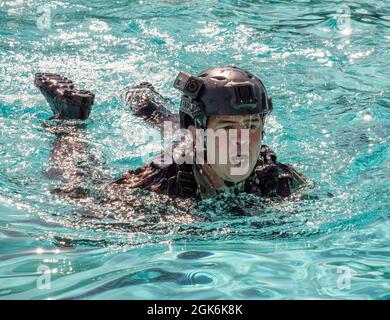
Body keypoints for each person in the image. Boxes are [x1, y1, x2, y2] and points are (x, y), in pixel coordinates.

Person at [34, 66, 307, 203]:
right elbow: (77, 204)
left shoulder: (280, 179)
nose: (242, 142)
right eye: (227, 128)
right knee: (75, 181)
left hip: (196, 136)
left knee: (174, 125)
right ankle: (69, 117)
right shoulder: (157, 185)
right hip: (189, 151)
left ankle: (142, 99)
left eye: (251, 127)